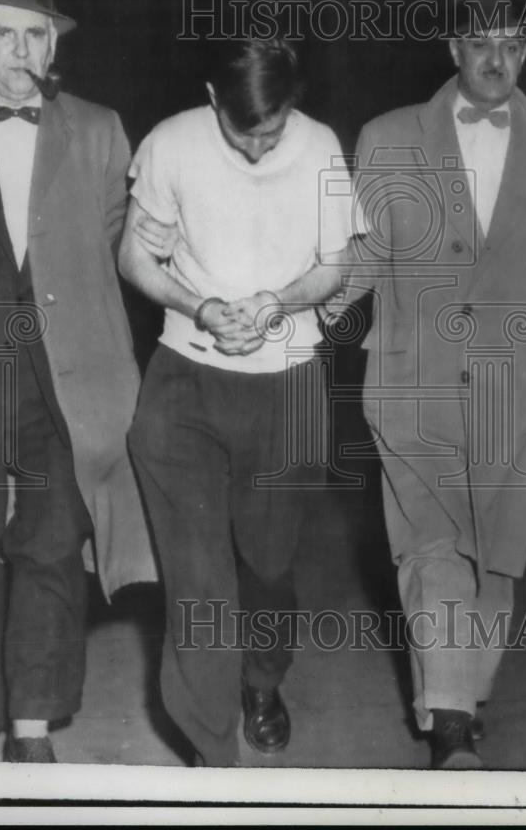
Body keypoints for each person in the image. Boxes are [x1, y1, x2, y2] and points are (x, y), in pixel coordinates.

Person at [350, 0, 526, 769]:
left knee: (495, 561)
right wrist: (286, 307)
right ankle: (452, 729)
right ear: (452, 48)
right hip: (412, 382)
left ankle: (457, 694)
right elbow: (354, 254)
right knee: (433, 552)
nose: (498, 60)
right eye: (482, 42)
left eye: (515, 46)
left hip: (520, 389)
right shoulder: (387, 139)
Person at [119, 38, 365, 767]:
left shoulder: (320, 148)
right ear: (210, 96)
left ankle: (262, 680)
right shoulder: (171, 143)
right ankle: (209, 757)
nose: (259, 146)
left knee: (267, 565)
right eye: (242, 129)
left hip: (287, 384)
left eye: (274, 126)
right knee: (199, 581)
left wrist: (275, 301)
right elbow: (135, 254)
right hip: (185, 382)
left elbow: (335, 264)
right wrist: (198, 306)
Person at [0, 0, 158, 763]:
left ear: (54, 44)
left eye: (36, 35)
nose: (21, 52)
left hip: (70, 377)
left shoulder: (100, 132)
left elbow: (117, 247)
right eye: (5, 35)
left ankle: (31, 725)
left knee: (52, 542)